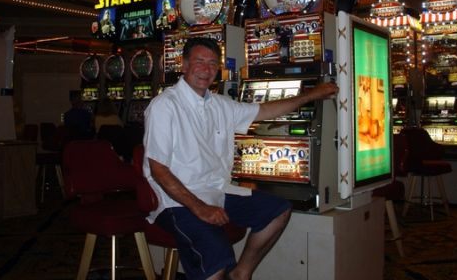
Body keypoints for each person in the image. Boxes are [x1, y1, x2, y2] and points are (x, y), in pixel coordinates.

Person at [143, 37, 338, 280]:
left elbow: (265, 110)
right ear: (184, 65)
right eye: (199, 61)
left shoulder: (220, 104)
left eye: (212, 64)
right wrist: (200, 208)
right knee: (217, 256)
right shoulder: (165, 106)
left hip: (217, 191)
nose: (206, 69)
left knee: (278, 210)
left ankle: (241, 273)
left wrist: (312, 94)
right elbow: (159, 170)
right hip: (177, 201)